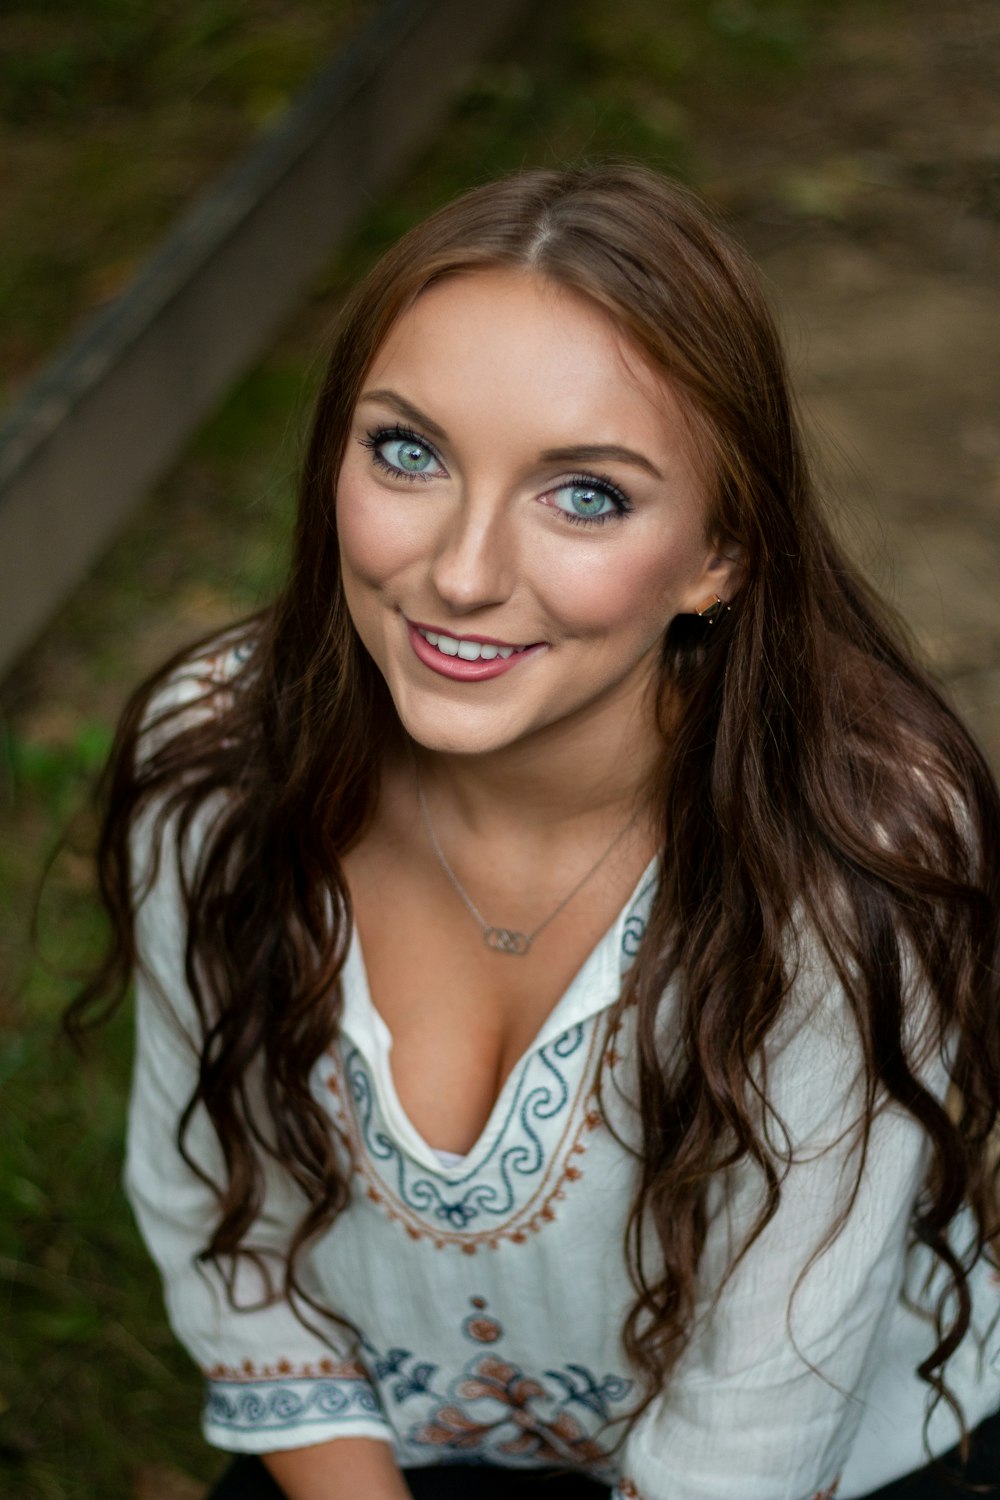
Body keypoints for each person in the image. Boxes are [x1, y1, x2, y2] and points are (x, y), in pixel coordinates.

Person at [71, 164, 1000, 1500]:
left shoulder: (845, 858)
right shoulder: (216, 763)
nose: (458, 572)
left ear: (719, 557)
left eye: (585, 495)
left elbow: (751, 1437)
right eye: (409, 452)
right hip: (380, 1457)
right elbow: (222, 1225)